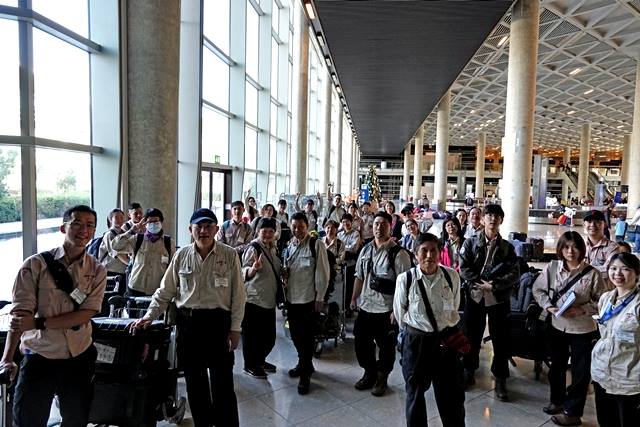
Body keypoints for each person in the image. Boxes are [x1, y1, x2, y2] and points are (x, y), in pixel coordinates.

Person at [130, 208, 245, 427]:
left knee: (222, 383)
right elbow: (165, 291)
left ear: (216, 230)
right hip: (188, 325)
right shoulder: (181, 255)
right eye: (198, 226)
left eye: (208, 226)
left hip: (218, 324)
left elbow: (238, 296)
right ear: (190, 229)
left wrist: (235, 328)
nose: (203, 231)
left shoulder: (229, 255)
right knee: (195, 382)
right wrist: (149, 316)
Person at [0, 205, 107, 427]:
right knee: (28, 420)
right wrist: (7, 358)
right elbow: (20, 316)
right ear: (63, 227)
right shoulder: (35, 265)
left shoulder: (97, 270)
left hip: (79, 355)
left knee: (76, 420)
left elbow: (85, 314)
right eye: (77, 223)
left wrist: (39, 322)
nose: (83, 230)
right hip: (40, 355)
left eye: (90, 225)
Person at [532, 231, 605, 427]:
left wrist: (582, 309)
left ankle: (573, 412)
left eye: (575, 247)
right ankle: (556, 400)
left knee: (581, 372)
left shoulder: (593, 273)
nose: (570, 251)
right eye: (566, 247)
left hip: (583, 329)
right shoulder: (552, 268)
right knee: (557, 366)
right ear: (560, 249)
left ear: (581, 249)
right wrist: (549, 306)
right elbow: (537, 289)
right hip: (558, 326)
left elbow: (602, 302)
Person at [394, 232, 465, 427]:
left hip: (446, 343)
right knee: (415, 394)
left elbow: (455, 306)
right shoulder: (406, 279)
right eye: (423, 251)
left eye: (433, 250)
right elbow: (400, 314)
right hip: (416, 343)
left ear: (440, 253)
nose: (429, 256)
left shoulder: (451, 276)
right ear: (415, 254)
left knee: (452, 396)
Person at [459, 204, 519, 401]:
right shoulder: (470, 243)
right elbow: (463, 267)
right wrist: (478, 283)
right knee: (471, 335)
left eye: (497, 216)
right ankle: (469, 370)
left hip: (498, 298)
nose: (493, 219)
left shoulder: (507, 248)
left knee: (501, 338)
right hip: (475, 296)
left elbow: (514, 273)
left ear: (501, 220)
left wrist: (493, 285)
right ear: (483, 219)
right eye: (489, 215)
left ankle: (500, 377)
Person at [351, 212, 412, 397]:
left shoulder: (399, 254)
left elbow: (406, 286)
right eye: (376, 223)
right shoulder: (365, 250)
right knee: (361, 342)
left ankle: (382, 376)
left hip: (386, 310)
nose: (379, 227)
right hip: (366, 305)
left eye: (383, 224)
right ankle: (369, 372)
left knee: (386, 347)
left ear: (390, 227)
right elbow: (359, 276)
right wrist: (354, 298)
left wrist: (398, 310)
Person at [283, 212, 330, 395]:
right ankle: (305, 364)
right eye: (294, 227)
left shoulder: (316, 245)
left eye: (301, 227)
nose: (297, 230)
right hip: (291, 298)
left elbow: (323, 273)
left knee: (306, 337)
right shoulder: (290, 245)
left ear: (307, 226)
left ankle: (305, 373)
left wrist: (320, 297)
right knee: (295, 335)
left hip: (308, 299)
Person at [591, 252, 640, 427]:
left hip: (629, 378)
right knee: (606, 421)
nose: (618, 273)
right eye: (613, 268)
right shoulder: (605, 299)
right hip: (601, 371)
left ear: (637, 273)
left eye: (625, 269)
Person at [241, 217, 281, 379]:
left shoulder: (273, 248)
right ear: (258, 231)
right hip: (254, 299)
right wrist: (253, 269)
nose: (268, 234)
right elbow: (243, 271)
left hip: (269, 299)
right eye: (265, 231)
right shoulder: (253, 248)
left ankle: (259, 360)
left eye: (271, 231)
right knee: (252, 336)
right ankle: (250, 365)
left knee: (269, 337)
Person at [113, 207, 174, 297]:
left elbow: (173, 267)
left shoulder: (169, 242)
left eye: (156, 222)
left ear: (161, 222)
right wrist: (131, 231)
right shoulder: (137, 239)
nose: (153, 225)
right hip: (136, 288)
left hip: (158, 290)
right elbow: (115, 246)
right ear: (145, 224)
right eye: (150, 222)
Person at [584, 209, 619, 280]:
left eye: (597, 222)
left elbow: (608, 271)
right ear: (584, 224)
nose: (592, 224)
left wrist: (581, 270)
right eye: (589, 221)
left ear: (605, 224)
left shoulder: (612, 248)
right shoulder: (581, 246)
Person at [339, 213, 363, 316]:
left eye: (347, 221)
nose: (346, 223)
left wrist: (343, 249)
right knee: (341, 286)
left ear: (351, 222)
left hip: (351, 263)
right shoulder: (339, 234)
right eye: (343, 221)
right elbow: (337, 247)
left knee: (349, 286)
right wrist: (345, 248)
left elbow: (354, 248)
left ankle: (349, 308)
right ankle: (342, 307)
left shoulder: (356, 233)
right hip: (341, 264)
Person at [98, 208, 129, 280]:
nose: (119, 220)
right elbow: (117, 253)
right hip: (111, 271)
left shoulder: (124, 233)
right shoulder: (109, 235)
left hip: (122, 271)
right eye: (116, 217)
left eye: (121, 217)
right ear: (110, 219)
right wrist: (130, 263)